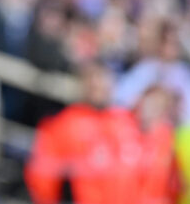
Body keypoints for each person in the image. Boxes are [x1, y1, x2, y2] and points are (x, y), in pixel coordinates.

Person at [25, 62, 177, 204]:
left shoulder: (126, 121)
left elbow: (152, 168)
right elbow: (43, 178)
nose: (99, 86)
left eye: (104, 80)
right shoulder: (63, 124)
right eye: (93, 81)